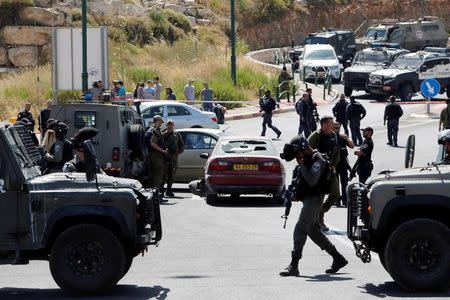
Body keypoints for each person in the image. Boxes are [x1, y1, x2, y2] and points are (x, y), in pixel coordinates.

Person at [279, 135, 348, 277]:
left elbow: (311, 180)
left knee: (300, 229)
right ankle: (338, 258)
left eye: (300, 152)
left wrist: (302, 164)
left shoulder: (318, 159)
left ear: (303, 148)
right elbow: (302, 180)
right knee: (313, 232)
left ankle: (294, 265)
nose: (300, 156)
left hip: (315, 200)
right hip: (309, 199)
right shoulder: (308, 159)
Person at [308, 116, 340, 231]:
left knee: (336, 194)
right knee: (319, 196)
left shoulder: (333, 135)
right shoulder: (316, 135)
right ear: (324, 124)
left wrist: (334, 165)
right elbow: (307, 151)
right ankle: (319, 219)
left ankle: (321, 212)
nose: (334, 126)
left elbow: (336, 152)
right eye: (331, 123)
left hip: (330, 170)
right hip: (318, 171)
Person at [147, 115, 168, 201]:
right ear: (156, 121)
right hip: (155, 156)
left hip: (156, 156)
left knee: (158, 176)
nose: (161, 124)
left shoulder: (155, 130)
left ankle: (156, 196)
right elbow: (152, 143)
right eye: (160, 122)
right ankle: (156, 197)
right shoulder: (154, 131)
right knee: (157, 177)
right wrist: (162, 151)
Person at [333, 121, 354, 207]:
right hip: (334, 164)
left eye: (339, 128)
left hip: (343, 164)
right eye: (336, 128)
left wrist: (347, 138)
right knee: (335, 183)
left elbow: (352, 146)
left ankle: (345, 200)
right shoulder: (330, 137)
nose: (338, 129)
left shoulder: (342, 137)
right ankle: (337, 200)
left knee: (344, 183)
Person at [162, 119, 184, 197]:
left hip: (173, 158)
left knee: (172, 175)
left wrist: (178, 153)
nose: (170, 125)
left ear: (173, 125)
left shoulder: (177, 134)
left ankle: (169, 190)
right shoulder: (163, 134)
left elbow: (181, 145)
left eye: (171, 124)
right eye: (168, 124)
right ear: (166, 125)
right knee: (164, 175)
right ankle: (161, 191)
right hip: (165, 158)